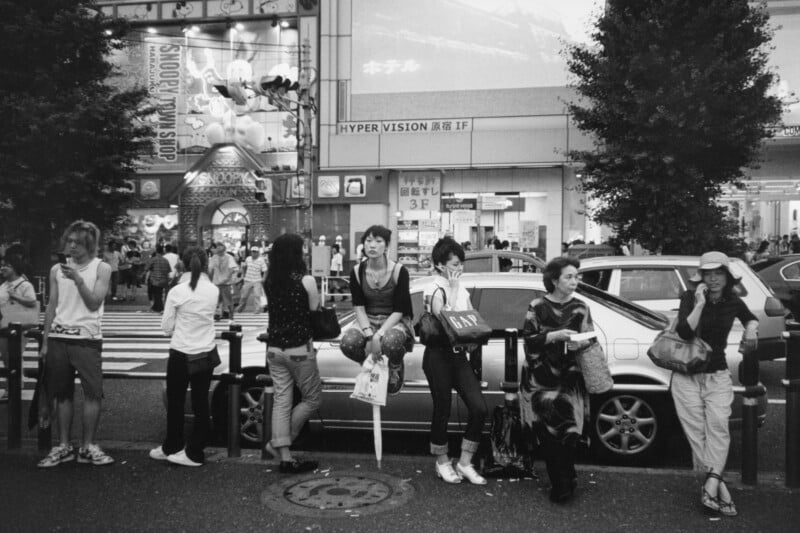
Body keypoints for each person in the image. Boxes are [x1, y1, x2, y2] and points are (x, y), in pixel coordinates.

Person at [672, 251, 758, 517]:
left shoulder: (733, 300)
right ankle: (719, 488)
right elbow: (685, 332)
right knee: (697, 433)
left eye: (718, 273)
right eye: (708, 274)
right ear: (701, 277)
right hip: (687, 375)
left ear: (727, 276)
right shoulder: (689, 297)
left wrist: (752, 328)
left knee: (719, 426)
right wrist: (698, 303)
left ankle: (711, 483)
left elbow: (750, 317)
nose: (713, 279)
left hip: (718, 374)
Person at [38, 220, 114, 468]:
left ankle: (88, 446)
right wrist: (46, 340)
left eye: (77, 243)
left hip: (87, 339)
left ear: (90, 245)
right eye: (69, 241)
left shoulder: (101, 268)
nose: (71, 247)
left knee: (92, 394)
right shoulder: (56, 270)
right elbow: (51, 305)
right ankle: (63, 446)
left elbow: (94, 303)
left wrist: (79, 281)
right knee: (62, 395)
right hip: (59, 337)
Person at [519, 256, 593, 503]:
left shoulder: (581, 307)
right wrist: (555, 335)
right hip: (541, 381)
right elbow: (528, 340)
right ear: (554, 280)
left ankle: (568, 475)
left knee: (570, 432)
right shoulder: (537, 306)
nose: (574, 281)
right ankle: (560, 483)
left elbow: (590, 339)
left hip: (570, 379)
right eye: (569, 277)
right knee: (548, 433)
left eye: (576, 277)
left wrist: (579, 343)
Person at [421, 237, 488, 485]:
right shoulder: (434, 289)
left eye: (461, 264)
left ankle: (465, 462)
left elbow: (471, 319)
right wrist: (452, 289)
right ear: (440, 265)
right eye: (455, 264)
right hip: (437, 356)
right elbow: (447, 320)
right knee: (443, 410)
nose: (459, 269)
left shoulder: (462, 288)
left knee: (479, 408)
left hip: (459, 356)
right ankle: (442, 462)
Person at [150, 247, 220, 467]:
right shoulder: (213, 290)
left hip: (181, 352)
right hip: (205, 353)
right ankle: (195, 450)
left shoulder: (177, 291)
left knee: (176, 402)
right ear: (206, 264)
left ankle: (173, 445)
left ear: (182, 264)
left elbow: (166, 327)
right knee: (201, 403)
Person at [262, 233, 322, 474]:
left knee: (281, 400)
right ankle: (280, 441)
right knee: (312, 399)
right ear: (296, 253)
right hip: (299, 349)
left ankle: (284, 455)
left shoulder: (269, 279)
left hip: (274, 349)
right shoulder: (306, 280)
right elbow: (314, 310)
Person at [340, 225, 414, 395]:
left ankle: (395, 366)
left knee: (390, 341)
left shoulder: (399, 271)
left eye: (378, 241)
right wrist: (368, 335)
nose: (372, 245)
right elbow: (358, 307)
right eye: (368, 241)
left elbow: (400, 310)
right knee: (348, 344)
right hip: (368, 318)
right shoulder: (357, 272)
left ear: (386, 246)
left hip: (394, 320)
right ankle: (370, 361)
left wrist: (378, 335)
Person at [0, 245, 38, 401]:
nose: (2, 268)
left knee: (13, 357)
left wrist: (15, 296)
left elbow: (32, 302)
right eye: (2, 265)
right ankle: (14, 385)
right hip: (4, 325)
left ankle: (13, 389)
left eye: (6, 266)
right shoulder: (3, 284)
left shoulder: (24, 284)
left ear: (15, 268)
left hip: (19, 326)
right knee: (6, 358)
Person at [208, 242, 239, 321]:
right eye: (217, 248)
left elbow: (233, 269)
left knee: (228, 301)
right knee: (216, 301)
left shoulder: (229, 257)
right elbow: (210, 269)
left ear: (224, 249)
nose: (218, 250)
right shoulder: (214, 257)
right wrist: (210, 280)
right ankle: (217, 315)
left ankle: (231, 317)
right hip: (216, 283)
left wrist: (228, 278)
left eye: (220, 248)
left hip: (226, 283)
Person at [237, 247, 267, 313]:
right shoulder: (248, 259)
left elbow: (265, 270)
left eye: (255, 252)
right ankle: (240, 309)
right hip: (248, 280)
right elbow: (244, 267)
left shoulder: (261, 260)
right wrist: (243, 275)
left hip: (257, 280)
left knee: (257, 295)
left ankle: (257, 310)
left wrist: (264, 278)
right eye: (253, 252)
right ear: (251, 252)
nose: (254, 253)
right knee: (244, 296)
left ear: (258, 253)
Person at [145, 245, 171, 313]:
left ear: (156, 251)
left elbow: (146, 268)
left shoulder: (153, 259)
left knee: (156, 294)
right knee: (159, 294)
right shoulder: (166, 260)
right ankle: (155, 308)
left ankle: (160, 308)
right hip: (164, 280)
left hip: (155, 280)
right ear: (163, 252)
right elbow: (168, 270)